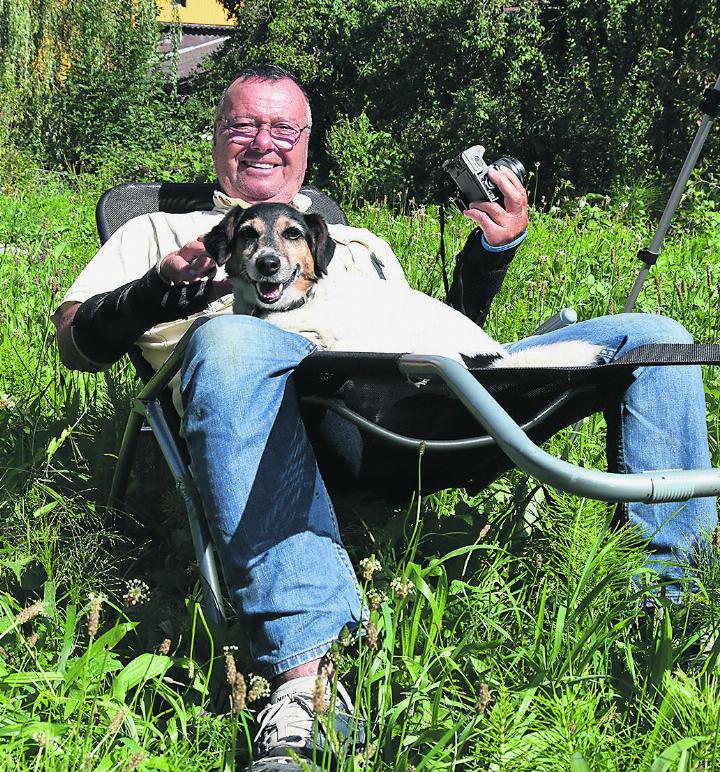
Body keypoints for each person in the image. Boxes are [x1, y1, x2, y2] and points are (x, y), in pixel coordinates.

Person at [52, 65, 716, 770]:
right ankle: (309, 690)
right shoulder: (160, 230)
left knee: (655, 333)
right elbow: (74, 342)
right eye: (243, 125)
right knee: (228, 335)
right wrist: (160, 289)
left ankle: (677, 614)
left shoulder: (357, 240)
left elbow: (440, 333)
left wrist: (492, 253)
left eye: (283, 129)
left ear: (306, 143)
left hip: (436, 396)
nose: (263, 143)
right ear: (216, 136)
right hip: (317, 413)